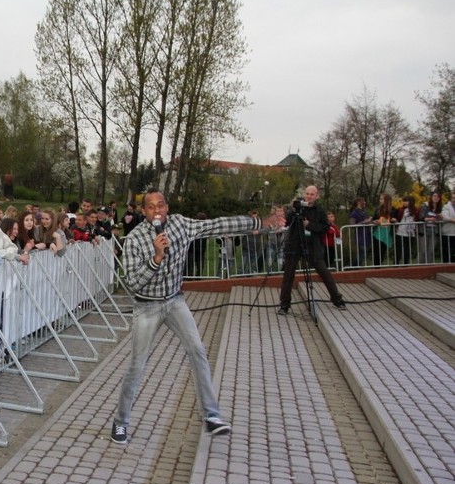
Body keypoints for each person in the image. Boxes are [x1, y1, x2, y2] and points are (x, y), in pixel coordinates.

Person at [111, 190, 279, 444]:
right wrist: (156, 258)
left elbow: (217, 225)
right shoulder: (135, 239)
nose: (157, 211)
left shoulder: (181, 224)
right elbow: (133, 283)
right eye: (151, 207)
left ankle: (211, 416)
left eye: (161, 205)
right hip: (147, 306)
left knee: (198, 350)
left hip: (175, 301)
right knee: (137, 365)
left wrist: (260, 223)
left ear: (167, 207)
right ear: (144, 211)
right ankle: (120, 422)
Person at [278, 186, 347, 315]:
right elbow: (287, 222)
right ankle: (284, 304)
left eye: (312, 194)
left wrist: (309, 225)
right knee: (288, 274)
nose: (308, 196)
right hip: (295, 244)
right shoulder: (298, 207)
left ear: (316, 196)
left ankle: (337, 299)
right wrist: (293, 210)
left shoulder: (320, 211)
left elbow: (325, 227)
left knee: (324, 272)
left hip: (312, 246)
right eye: (307, 193)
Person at [372, 193, 397, 266]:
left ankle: (379, 265)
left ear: (387, 200)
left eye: (382, 199)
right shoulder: (378, 209)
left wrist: (394, 220)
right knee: (377, 251)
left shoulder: (393, 209)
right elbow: (373, 219)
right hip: (378, 232)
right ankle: (376, 267)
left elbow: (396, 220)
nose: (380, 200)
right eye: (380, 199)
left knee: (382, 251)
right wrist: (374, 221)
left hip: (387, 233)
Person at [418, 191, 443, 263]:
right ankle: (421, 267)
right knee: (423, 250)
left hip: (434, 231)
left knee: (431, 251)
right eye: (434, 196)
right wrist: (430, 219)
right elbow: (420, 217)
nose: (436, 198)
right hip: (424, 230)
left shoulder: (440, 208)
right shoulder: (425, 205)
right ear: (431, 197)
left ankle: (430, 267)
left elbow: (441, 220)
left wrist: (440, 218)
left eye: (438, 196)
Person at [393, 196, 418, 265]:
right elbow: (396, 218)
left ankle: (405, 264)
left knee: (407, 249)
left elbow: (418, 219)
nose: (404, 202)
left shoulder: (416, 210)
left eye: (406, 201)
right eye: (404, 201)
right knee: (398, 249)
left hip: (410, 233)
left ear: (411, 202)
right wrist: (394, 220)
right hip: (400, 232)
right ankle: (395, 263)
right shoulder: (400, 210)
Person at [349, 197, 373, 267]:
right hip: (360, 237)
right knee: (362, 254)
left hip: (367, 236)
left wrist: (373, 222)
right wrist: (364, 222)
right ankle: (352, 267)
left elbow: (368, 221)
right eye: (363, 201)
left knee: (363, 254)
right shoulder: (354, 212)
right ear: (359, 202)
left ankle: (355, 267)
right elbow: (352, 225)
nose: (365, 203)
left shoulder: (364, 211)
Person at [441, 193, 455, 263]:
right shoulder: (446, 206)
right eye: (453, 198)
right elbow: (445, 216)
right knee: (446, 251)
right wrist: (453, 220)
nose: (454, 200)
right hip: (447, 233)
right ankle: (445, 266)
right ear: (450, 199)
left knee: (453, 252)